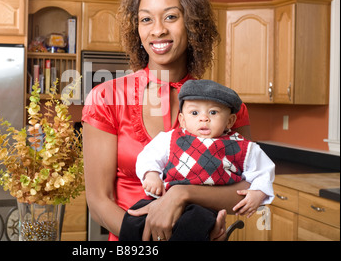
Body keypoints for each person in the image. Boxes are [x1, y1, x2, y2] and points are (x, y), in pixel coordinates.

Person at [82, 0, 252, 242]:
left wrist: (182, 193)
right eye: (146, 19)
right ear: (136, 29)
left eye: (171, 16)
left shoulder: (225, 106)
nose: (158, 29)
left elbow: (243, 192)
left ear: (193, 25)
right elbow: (99, 201)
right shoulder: (106, 98)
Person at [118, 79, 275, 240]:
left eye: (213, 112)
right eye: (195, 113)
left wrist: (258, 192)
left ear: (230, 121)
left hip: (203, 207)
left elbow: (263, 171)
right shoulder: (170, 139)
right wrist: (151, 175)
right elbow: (149, 156)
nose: (204, 118)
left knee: (194, 226)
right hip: (162, 200)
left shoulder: (243, 147)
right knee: (132, 220)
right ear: (182, 119)